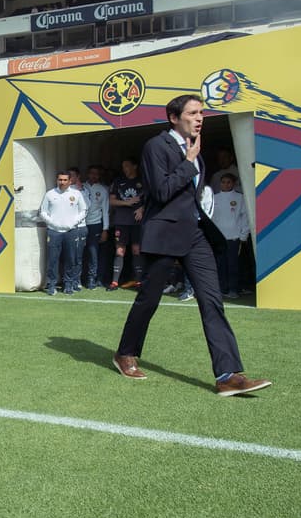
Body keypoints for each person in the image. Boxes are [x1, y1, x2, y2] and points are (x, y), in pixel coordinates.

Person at [112, 94, 271, 397]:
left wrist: (191, 159)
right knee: (149, 300)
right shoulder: (156, 147)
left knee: (212, 300)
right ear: (174, 118)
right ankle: (125, 354)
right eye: (193, 113)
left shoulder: (197, 150)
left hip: (195, 235)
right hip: (165, 235)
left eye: (202, 113)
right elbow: (160, 191)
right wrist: (187, 162)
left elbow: (190, 195)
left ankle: (228, 375)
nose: (200, 118)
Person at [38, 169, 87, 295]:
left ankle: (68, 284)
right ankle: (52, 285)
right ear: (57, 180)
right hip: (54, 232)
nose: (62, 182)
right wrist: (52, 222)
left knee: (70, 259)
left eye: (65, 180)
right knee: (53, 259)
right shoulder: (50, 194)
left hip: (71, 231)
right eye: (60, 179)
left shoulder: (76, 194)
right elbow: (42, 212)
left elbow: (84, 210)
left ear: (70, 181)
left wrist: (74, 222)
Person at [108, 157, 146, 290]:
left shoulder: (143, 181)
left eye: (127, 166)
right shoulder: (119, 181)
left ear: (135, 166)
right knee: (120, 251)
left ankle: (138, 281)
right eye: (123, 167)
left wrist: (142, 208)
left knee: (136, 250)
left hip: (137, 222)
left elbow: (153, 199)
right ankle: (114, 282)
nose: (125, 169)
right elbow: (111, 201)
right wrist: (126, 203)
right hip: (121, 221)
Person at [211, 173, 250, 298]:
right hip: (218, 237)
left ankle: (233, 289)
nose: (225, 184)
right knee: (220, 264)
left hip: (234, 237)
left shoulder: (240, 198)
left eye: (228, 182)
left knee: (233, 264)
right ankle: (222, 288)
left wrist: (244, 235)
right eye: (223, 182)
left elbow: (245, 217)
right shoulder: (214, 198)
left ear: (233, 184)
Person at [82, 164, 110, 289]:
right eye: (91, 173)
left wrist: (105, 229)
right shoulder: (81, 187)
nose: (93, 176)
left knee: (93, 252)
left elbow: (105, 210)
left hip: (95, 225)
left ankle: (92, 279)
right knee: (81, 252)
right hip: (81, 224)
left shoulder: (103, 190)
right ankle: (80, 278)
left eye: (96, 173)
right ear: (87, 174)